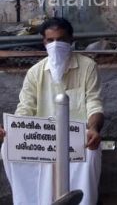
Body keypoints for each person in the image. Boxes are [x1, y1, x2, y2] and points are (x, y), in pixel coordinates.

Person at [0, 17, 104, 205]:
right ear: (44, 42)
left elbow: (94, 104)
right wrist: (11, 131)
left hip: (76, 138)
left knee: (91, 151)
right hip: (41, 139)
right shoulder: (35, 72)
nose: (56, 45)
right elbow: (25, 109)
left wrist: (94, 129)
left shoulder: (88, 66)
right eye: (51, 40)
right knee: (7, 148)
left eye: (61, 40)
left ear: (71, 40)